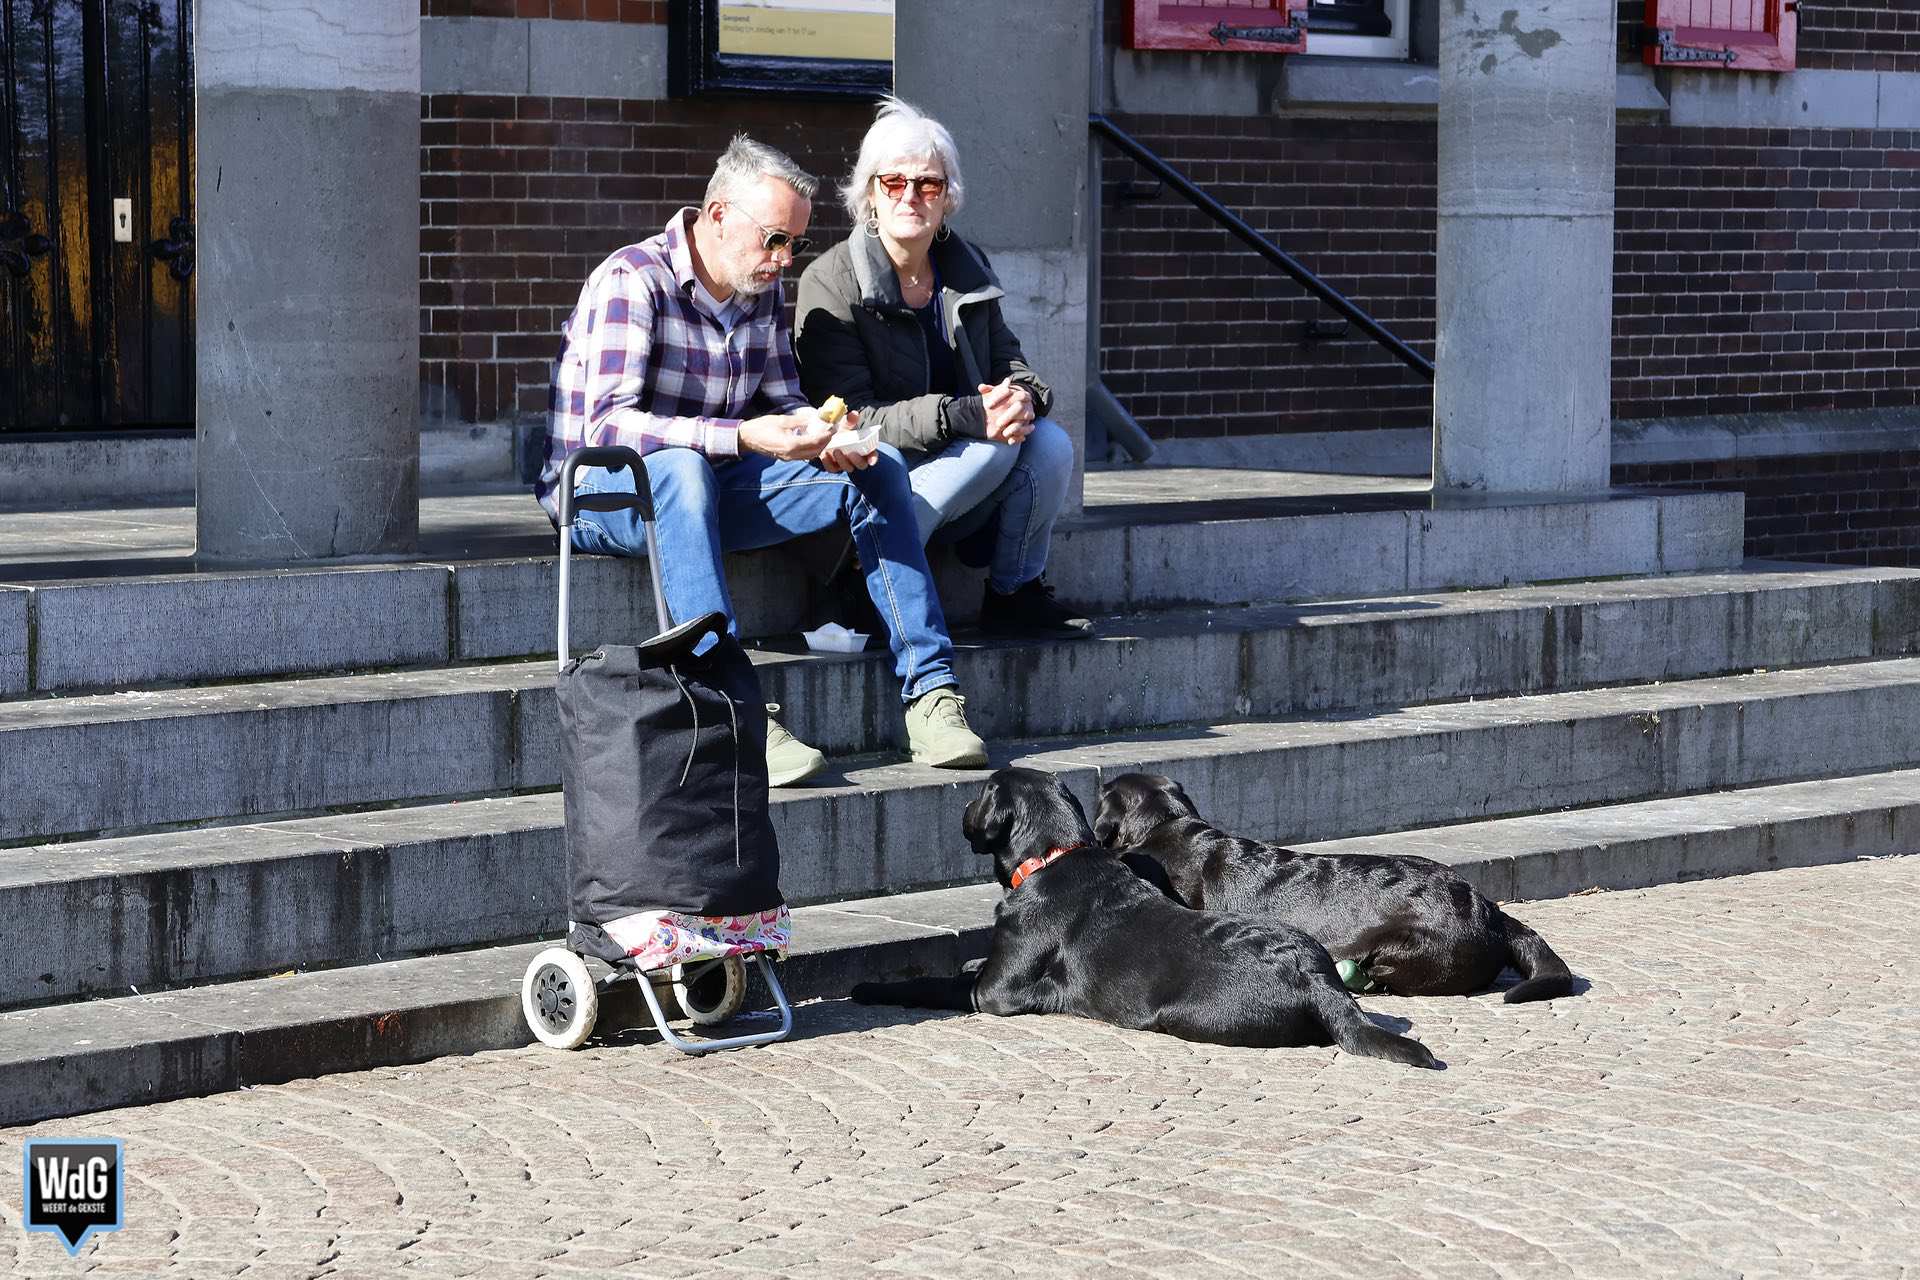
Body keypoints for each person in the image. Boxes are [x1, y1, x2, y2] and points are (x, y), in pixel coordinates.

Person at [533, 134, 988, 786]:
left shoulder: (760, 290)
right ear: (718, 216)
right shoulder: (632, 280)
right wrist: (744, 438)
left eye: (796, 245)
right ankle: (731, 710)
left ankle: (931, 694)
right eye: (774, 239)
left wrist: (825, 435)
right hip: (604, 496)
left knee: (879, 462)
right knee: (681, 469)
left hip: (714, 487)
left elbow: (784, 399)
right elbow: (606, 428)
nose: (784, 260)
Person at [794, 97, 1088, 638]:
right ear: (869, 195)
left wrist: (1023, 396)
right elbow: (849, 417)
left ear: (947, 197)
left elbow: (1010, 361)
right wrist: (963, 417)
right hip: (871, 477)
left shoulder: (965, 266)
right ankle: (865, 576)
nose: (911, 196)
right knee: (995, 444)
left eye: (928, 184)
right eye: (893, 183)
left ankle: (1014, 594)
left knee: (1048, 444)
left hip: (963, 471)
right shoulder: (830, 281)